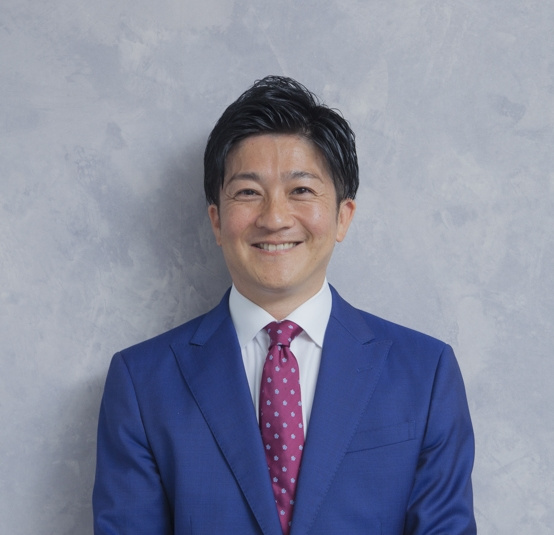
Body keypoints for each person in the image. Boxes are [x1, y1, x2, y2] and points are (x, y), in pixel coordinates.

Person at [93, 76, 476, 534]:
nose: (274, 218)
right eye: (248, 192)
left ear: (343, 217)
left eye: (301, 191)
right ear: (216, 221)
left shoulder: (425, 373)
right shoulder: (141, 383)